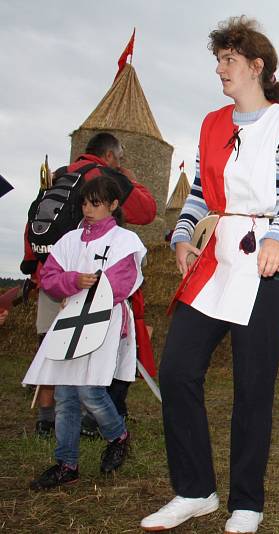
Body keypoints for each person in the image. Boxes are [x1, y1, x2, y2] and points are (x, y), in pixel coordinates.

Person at [140, 16, 279, 534]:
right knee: (177, 370)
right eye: (218, 60)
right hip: (218, 260)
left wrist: (278, 234)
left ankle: (247, 501)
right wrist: (182, 235)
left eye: (228, 60)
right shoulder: (213, 124)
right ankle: (194, 490)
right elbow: (199, 192)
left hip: (269, 260)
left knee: (253, 386)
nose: (219, 69)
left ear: (255, 67)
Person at [20, 132, 156, 438]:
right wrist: (128, 178)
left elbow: (34, 225)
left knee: (51, 347)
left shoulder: (59, 176)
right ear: (109, 156)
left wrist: (33, 269)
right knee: (88, 349)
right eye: (119, 158)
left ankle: (46, 417)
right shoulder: (104, 177)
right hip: (85, 284)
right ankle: (92, 420)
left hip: (51, 275)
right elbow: (146, 211)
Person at [23, 176, 145, 489]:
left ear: (113, 205)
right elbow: (49, 277)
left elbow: (122, 284)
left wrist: (84, 293)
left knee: (90, 392)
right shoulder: (69, 240)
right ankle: (67, 464)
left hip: (102, 322)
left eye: (96, 203)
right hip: (69, 322)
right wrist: (73, 281)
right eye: (84, 203)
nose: (88, 209)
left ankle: (117, 435)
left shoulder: (125, 241)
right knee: (65, 394)